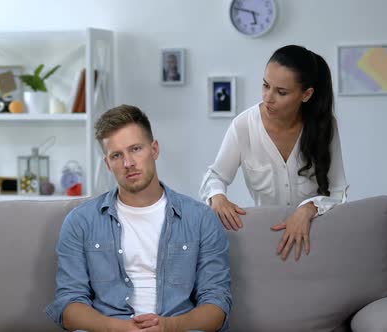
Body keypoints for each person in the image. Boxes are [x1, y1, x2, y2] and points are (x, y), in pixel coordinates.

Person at [47, 105, 231, 332]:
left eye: (135, 149)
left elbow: (217, 305)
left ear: (154, 149)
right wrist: (119, 328)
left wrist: (169, 326)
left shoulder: (201, 219)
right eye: (117, 155)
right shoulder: (80, 222)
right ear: (107, 163)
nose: (128, 163)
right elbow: (69, 305)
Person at [199, 45, 348, 261]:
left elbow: (339, 191)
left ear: (306, 94)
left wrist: (308, 209)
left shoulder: (325, 127)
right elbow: (215, 176)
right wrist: (217, 197)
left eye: (281, 92)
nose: (268, 97)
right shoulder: (244, 125)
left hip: (318, 239)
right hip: (267, 242)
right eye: (265, 85)